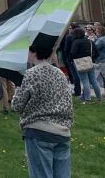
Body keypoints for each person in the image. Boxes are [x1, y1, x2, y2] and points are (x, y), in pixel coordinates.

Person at [12, 43, 74, 178]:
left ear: (33, 52)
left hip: (38, 131)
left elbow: (17, 105)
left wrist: (18, 86)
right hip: (62, 131)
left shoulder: (31, 74)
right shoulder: (60, 73)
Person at [70, 26, 102, 103]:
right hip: (90, 61)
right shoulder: (90, 41)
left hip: (80, 63)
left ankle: (87, 99)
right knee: (93, 81)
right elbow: (96, 53)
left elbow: (72, 53)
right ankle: (99, 98)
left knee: (85, 81)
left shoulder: (76, 42)